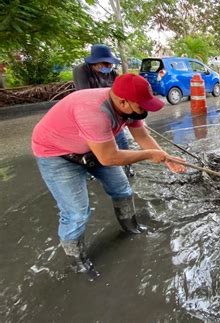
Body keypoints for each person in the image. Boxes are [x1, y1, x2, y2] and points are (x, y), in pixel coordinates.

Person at [32, 73, 186, 280]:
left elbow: (142, 136)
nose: (146, 109)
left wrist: (167, 159)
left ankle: (131, 227)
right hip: (58, 155)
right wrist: (150, 155)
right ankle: (77, 259)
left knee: (122, 188)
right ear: (122, 102)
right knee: (76, 212)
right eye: (142, 106)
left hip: (94, 148)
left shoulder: (128, 107)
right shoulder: (94, 112)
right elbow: (109, 157)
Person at [73, 44, 134, 177]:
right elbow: (84, 95)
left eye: (110, 64)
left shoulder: (113, 73)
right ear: (94, 63)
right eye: (104, 63)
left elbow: (121, 93)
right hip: (91, 113)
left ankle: (128, 167)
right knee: (92, 145)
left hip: (112, 113)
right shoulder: (82, 71)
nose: (108, 66)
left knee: (122, 140)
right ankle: (91, 170)